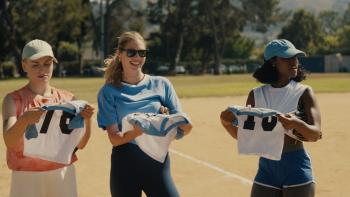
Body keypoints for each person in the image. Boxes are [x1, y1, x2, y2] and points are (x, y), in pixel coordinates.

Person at [220, 39, 322, 197]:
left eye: (296, 57)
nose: (294, 61)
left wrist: (295, 123)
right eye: (288, 58)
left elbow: (315, 134)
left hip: (296, 166)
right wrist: (226, 123)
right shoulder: (255, 95)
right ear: (273, 62)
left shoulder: (304, 92)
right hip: (267, 169)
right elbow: (248, 137)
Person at [97, 31, 192, 197]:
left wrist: (170, 121)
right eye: (131, 52)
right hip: (125, 167)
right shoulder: (109, 92)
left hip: (157, 164)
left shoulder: (162, 84)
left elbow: (183, 129)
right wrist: (140, 129)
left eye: (142, 53)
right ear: (120, 55)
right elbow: (114, 139)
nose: (137, 57)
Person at [2, 39, 94, 197]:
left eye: (47, 63)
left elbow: (80, 144)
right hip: (26, 176)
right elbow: (9, 141)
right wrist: (24, 120)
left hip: (62, 174)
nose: (42, 69)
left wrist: (88, 120)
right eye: (35, 64)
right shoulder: (13, 99)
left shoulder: (69, 99)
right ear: (24, 65)